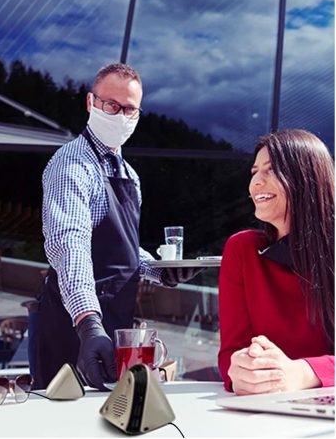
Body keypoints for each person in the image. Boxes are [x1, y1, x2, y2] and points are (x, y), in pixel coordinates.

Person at [34, 63, 199, 390]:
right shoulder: (71, 165)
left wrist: (159, 271)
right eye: (111, 105)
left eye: (129, 109)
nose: (121, 116)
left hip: (116, 322)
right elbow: (70, 245)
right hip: (74, 324)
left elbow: (121, 246)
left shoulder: (129, 175)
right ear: (90, 102)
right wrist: (88, 323)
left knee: (113, 414)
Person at [218, 129, 334, 395]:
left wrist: (302, 373)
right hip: (262, 405)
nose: (256, 182)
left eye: (270, 170)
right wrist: (241, 370)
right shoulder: (241, 249)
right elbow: (231, 352)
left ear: (306, 178)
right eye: (254, 172)